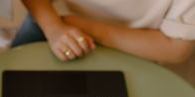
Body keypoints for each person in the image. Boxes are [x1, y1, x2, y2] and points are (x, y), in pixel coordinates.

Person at [12, 0, 195, 81]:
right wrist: (53, 27)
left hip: (140, 47)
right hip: (51, 20)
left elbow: (176, 48)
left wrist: (84, 26)